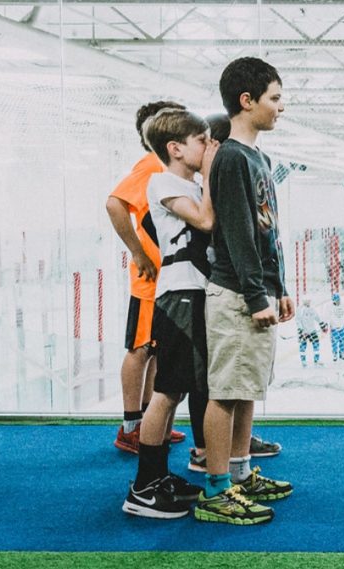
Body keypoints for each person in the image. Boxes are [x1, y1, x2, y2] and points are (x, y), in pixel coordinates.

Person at [197, 57, 293, 525]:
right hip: (235, 294)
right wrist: (257, 297)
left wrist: (280, 287)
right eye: (275, 98)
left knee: (247, 387)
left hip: (255, 291)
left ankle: (239, 472)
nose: (282, 107)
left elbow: (267, 230)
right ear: (247, 101)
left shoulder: (260, 157)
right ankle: (216, 490)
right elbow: (235, 233)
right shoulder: (233, 157)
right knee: (225, 391)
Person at [121, 109, 218, 519]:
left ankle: (158, 476)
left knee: (180, 388)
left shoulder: (190, 183)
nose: (208, 147)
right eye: (202, 141)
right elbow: (205, 220)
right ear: (175, 148)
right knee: (168, 390)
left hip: (196, 293)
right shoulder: (162, 181)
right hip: (178, 295)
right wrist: (213, 172)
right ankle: (144, 486)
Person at [106, 101, 187, 453]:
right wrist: (138, 253)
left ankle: (149, 422)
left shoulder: (168, 168)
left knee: (155, 351)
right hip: (149, 281)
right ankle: (129, 428)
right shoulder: (150, 164)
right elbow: (114, 204)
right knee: (140, 349)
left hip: (166, 279)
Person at [295, 298, 325, 367]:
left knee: (316, 345)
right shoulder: (300, 309)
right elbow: (298, 320)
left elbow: (317, 317)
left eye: (309, 301)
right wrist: (301, 330)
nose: (309, 302)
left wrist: (322, 325)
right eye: (308, 301)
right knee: (303, 346)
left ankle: (316, 360)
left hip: (312, 330)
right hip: (304, 331)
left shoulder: (312, 308)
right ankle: (303, 361)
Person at [325, 293, 344, 361]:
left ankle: (342, 353)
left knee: (343, 341)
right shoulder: (329, 307)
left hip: (342, 327)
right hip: (334, 328)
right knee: (334, 342)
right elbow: (326, 317)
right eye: (336, 300)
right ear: (333, 301)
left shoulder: (343, 306)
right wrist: (325, 324)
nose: (338, 301)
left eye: (338, 300)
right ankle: (335, 354)